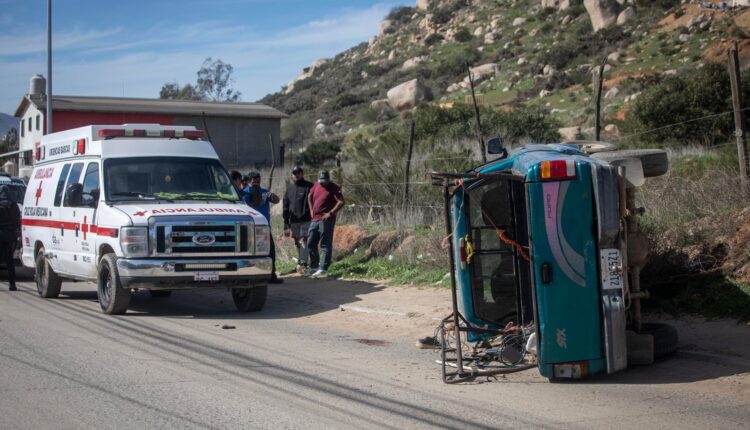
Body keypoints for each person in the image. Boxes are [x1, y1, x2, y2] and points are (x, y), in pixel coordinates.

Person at [244, 172, 283, 284]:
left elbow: (277, 200)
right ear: (249, 181)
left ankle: (271, 275)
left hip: (264, 226)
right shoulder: (245, 192)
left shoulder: (264, 191)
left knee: (270, 251)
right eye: (254, 181)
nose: (256, 183)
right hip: (250, 226)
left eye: (258, 181)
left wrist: (271, 195)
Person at [305, 170, 344, 278]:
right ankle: (314, 267)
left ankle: (323, 269)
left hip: (325, 220)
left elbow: (341, 202)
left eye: (325, 181)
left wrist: (330, 213)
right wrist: (311, 209)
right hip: (315, 219)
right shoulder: (316, 186)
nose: (323, 183)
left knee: (325, 244)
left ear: (328, 179)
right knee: (311, 243)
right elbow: (309, 196)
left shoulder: (334, 188)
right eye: (321, 181)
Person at [282, 166, 313, 273]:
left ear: (302, 173)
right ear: (292, 175)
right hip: (294, 221)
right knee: (297, 242)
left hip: (307, 219)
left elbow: (315, 202)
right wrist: (286, 221)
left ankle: (303, 263)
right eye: (294, 173)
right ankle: (301, 262)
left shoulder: (309, 186)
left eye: (298, 172)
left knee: (304, 241)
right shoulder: (289, 189)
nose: (296, 175)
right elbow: (285, 206)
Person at [0, 185, 20, 291]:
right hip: (10, 235)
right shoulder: (14, 205)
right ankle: (12, 284)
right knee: (9, 261)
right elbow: (17, 220)